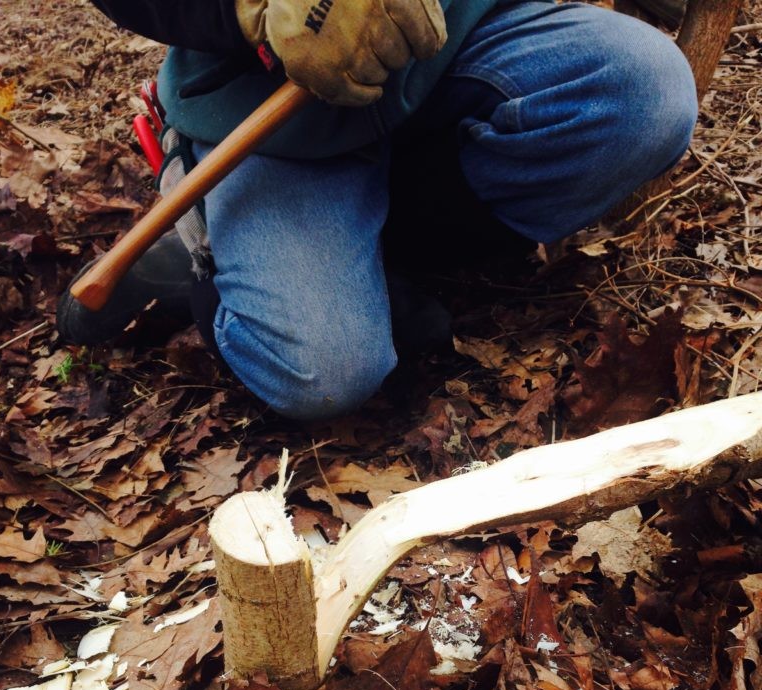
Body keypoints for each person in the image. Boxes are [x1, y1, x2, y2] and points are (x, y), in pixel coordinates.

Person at [59, 0, 697, 420]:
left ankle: (367, 259)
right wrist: (258, 7)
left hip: (455, 46)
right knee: (322, 372)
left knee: (644, 95)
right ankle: (205, 240)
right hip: (270, 109)